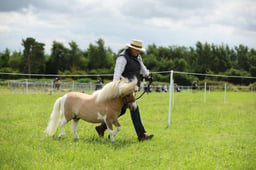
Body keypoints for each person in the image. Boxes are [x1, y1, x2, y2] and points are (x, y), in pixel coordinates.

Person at [95, 39, 154, 141]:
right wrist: (116, 90)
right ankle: (141, 135)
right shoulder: (122, 58)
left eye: (139, 49)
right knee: (134, 108)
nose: (138, 51)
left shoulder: (137, 57)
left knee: (121, 111)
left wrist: (148, 75)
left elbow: (142, 69)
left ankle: (102, 127)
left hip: (131, 89)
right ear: (131, 48)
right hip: (123, 90)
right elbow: (117, 75)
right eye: (136, 49)